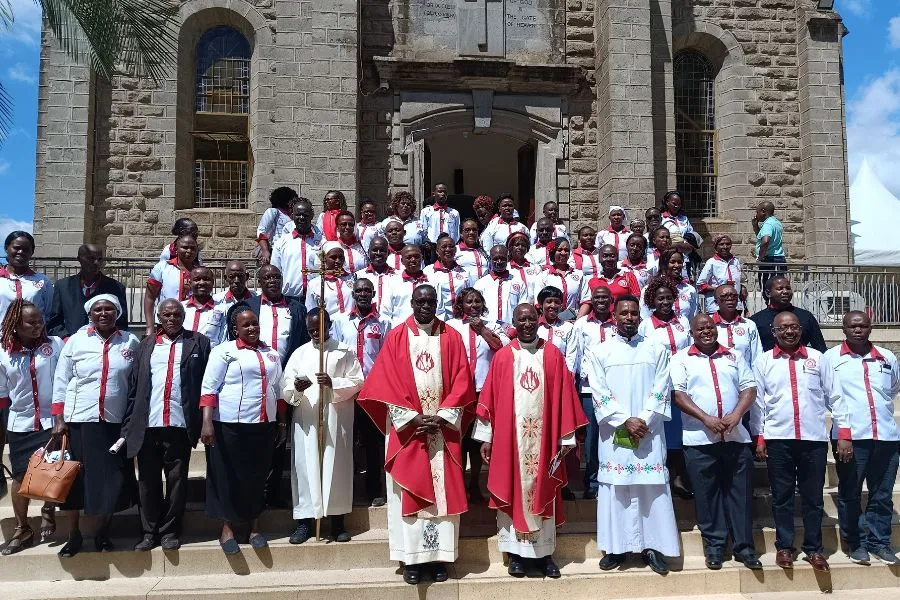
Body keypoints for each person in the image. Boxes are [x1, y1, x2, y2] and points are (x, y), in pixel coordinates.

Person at [357, 285, 476, 585]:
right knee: (406, 493)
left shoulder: (452, 337)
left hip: (442, 430)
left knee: (442, 496)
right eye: (420, 301)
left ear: (437, 303)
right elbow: (385, 384)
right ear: (411, 303)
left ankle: (439, 558)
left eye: (430, 301)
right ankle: (412, 558)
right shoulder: (397, 337)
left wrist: (443, 416)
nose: (425, 306)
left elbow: (463, 380)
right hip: (408, 431)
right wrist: (412, 418)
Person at [475, 302, 586, 578]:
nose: (527, 324)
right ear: (514, 322)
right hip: (510, 441)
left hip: (545, 441)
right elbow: (488, 400)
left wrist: (565, 440)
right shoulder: (503, 356)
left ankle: (545, 554)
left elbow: (565, 400)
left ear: (539, 320)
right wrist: (486, 438)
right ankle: (515, 555)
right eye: (521, 320)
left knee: (544, 488)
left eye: (531, 319)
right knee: (512, 488)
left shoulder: (553, 355)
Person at [584, 295, 679, 574]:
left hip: (649, 433)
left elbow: (663, 388)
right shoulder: (600, 352)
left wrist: (644, 419)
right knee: (617, 489)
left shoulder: (656, 349)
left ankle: (653, 546)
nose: (629, 317)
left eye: (634, 313)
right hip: (615, 435)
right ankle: (617, 548)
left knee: (651, 490)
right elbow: (598, 392)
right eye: (624, 313)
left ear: (640, 316)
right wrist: (625, 420)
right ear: (614, 316)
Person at [750, 311, 850, 572]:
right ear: (774, 332)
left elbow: (836, 397)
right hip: (778, 439)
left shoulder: (818, 358)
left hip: (812, 439)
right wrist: (758, 437)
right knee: (781, 497)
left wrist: (843, 433)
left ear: (801, 330)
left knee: (813, 498)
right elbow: (758, 402)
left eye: (794, 327)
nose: (789, 331)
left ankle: (814, 548)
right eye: (783, 328)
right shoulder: (763, 361)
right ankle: (784, 546)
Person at [51, 294, 140, 557]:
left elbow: (136, 381)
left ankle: (103, 532)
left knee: (111, 481)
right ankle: (74, 534)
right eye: (98, 309)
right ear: (90, 314)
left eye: (109, 309)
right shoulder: (76, 341)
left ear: (118, 313)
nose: (104, 313)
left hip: (113, 423)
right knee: (75, 481)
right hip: (80, 420)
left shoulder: (130, 341)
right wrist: (59, 419)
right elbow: (61, 379)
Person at [671, 314, 761, 570]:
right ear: (692, 332)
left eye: (710, 327)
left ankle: (745, 548)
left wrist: (736, 415)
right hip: (699, 439)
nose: (706, 332)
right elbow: (679, 394)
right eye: (700, 329)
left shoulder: (734, 356)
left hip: (736, 437)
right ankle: (715, 546)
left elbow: (749, 388)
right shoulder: (680, 359)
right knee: (707, 496)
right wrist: (706, 418)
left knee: (740, 494)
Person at [122, 299, 211, 552]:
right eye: (167, 315)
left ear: (184, 316)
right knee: (147, 483)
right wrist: (129, 424)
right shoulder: (146, 345)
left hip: (179, 425)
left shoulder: (199, 342)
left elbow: (207, 383)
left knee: (177, 482)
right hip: (148, 425)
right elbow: (134, 386)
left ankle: (170, 530)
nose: (172, 319)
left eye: (177, 314)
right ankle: (149, 532)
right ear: (159, 317)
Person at [200, 305, 286, 554]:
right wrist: (207, 422)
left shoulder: (272, 354)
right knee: (227, 475)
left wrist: (281, 422)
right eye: (245, 324)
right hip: (229, 423)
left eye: (255, 324)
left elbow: (278, 391)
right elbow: (209, 388)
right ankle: (227, 528)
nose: (251, 328)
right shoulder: (223, 351)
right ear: (235, 328)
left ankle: (255, 526)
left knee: (257, 475)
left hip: (263, 423)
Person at [825, 311, 900, 565]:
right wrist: (842, 433)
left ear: (870, 328)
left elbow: (891, 389)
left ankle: (880, 542)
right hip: (851, 437)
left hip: (886, 438)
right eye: (853, 326)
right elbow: (828, 397)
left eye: (863, 326)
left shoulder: (887, 357)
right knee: (850, 493)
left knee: (882, 494)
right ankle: (855, 543)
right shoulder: (831, 358)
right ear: (844, 329)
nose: (858, 330)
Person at [283, 308, 364, 544]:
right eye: (310, 330)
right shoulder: (300, 353)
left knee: (335, 466)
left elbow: (358, 381)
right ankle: (304, 522)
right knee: (306, 468)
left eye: (319, 328)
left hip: (335, 418)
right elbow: (287, 388)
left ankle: (337, 521)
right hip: (307, 419)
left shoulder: (344, 351)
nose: (315, 334)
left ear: (328, 324)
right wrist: (297, 388)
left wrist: (333, 383)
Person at [0, 300, 64, 554]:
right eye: (31, 322)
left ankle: (48, 509)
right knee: (19, 477)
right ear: (16, 325)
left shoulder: (55, 345)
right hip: (21, 422)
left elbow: (65, 380)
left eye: (41, 321)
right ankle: (22, 527)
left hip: (52, 421)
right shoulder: (4, 353)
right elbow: (3, 397)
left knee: (50, 470)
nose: (38, 326)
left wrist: (61, 417)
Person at [331, 279, 392, 506]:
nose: (363, 294)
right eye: (359, 291)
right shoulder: (340, 321)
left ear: (374, 293)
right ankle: (345, 489)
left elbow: (387, 356)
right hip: (346, 390)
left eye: (367, 290)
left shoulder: (384, 322)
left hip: (372, 391)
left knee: (373, 442)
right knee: (345, 440)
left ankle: (375, 489)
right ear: (353, 294)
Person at [446, 287, 509, 502]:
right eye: (469, 302)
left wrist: (481, 329)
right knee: (460, 438)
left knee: (478, 438)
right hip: (460, 391)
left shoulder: (492, 326)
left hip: (483, 390)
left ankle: (475, 483)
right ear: (460, 306)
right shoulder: (451, 327)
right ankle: (459, 483)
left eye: (477, 302)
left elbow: (500, 348)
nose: (473, 306)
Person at [638, 277, 693, 499]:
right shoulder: (645, 325)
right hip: (658, 384)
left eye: (669, 298)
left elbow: (689, 349)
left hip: (681, 384)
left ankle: (679, 476)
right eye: (660, 298)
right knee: (661, 431)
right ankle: (661, 475)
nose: (665, 302)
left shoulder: (683, 322)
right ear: (652, 300)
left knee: (679, 433)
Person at [566, 283, 616, 500]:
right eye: (598, 298)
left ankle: (614, 478)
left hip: (617, 389)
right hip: (590, 390)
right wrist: (573, 385)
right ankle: (593, 483)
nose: (602, 301)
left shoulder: (619, 324)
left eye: (606, 298)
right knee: (593, 437)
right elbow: (574, 356)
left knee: (615, 434)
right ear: (591, 302)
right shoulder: (582, 324)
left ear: (611, 301)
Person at [47, 244, 128, 337]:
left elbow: (121, 323)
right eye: (91, 258)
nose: (96, 263)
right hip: (70, 345)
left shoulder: (116, 287)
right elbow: (55, 322)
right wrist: (66, 338)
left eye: (100, 259)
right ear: (79, 259)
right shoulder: (63, 286)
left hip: (103, 345)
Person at [247, 265, 311, 366]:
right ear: (259, 282)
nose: (273, 281)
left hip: (288, 369)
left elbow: (304, 340)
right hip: (256, 369)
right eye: (267, 278)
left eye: (276, 277)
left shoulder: (298, 309)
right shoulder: (249, 307)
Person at [749, 276, 826, 353]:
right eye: (780, 289)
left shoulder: (806, 317)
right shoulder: (756, 321)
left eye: (788, 288)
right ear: (768, 293)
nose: (785, 291)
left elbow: (820, 348)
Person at [144, 234, 200, 336]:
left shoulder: (200, 271)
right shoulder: (162, 268)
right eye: (185, 247)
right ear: (176, 249)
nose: (189, 251)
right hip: (166, 322)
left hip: (192, 322)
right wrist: (150, 326)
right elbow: (149, 297)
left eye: (193, 248)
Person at [272, 197, 324, 301]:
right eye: (297, 215)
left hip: (316, 297)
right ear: (292, 216)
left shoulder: (322, 242)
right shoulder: (281, 243)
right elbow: (275, 271)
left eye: (305, 215)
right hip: (290, 298)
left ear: (312, 215)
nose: (301, 218)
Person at [1, 231, 53, 321]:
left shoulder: (43, 281)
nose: (21, 252)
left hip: (35, 334)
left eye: (26, 249)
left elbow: (48, 313)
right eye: (16, 248)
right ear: (6, 248)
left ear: (32, 252)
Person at [474, 245, 528, 326]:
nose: (499, 262)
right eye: (495, 259)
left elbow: (522, 309)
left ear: (508, 258)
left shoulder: (519, 283)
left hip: (511, 330)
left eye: (502, 259)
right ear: (490, 259)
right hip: (487, 329)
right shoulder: (480, 284)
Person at [712, 284, 762, 369]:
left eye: (734, 296)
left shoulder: (749, 324)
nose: (730, 299)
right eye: (724, 296)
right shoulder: (708, 324)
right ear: (716, 302)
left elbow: (757, 356)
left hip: (745, 378)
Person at [424, 235, 472, 321]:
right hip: (438, 320)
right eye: (444, 247)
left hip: (461, 319)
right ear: (437, 251)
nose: (448, 249)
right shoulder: (428, 272)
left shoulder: (465, 272)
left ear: (455, 250)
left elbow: (470, 296)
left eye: (451, 246)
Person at [534, 239, 587, 316]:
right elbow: (539, 303)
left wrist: (577, 321)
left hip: (574, 321)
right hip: (551, 322)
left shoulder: (579, 274)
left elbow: (585, 301)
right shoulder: (543, 275)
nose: (563, 253)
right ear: (553, 252)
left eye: (566, 250)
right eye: (559, 250)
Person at [641, 249, 698, 322]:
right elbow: (645, 316)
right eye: (672, 262)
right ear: (663, 264)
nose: (677, 265)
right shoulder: (650, 289)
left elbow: (693, 318)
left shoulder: (690, 289)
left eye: (680, 262)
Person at [697, 235, 745, 314]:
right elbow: (701, 284)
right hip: (716, 306)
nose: (725, 247)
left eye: (728, 244)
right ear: (716, 247)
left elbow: (737, 281)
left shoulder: (735, 261)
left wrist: (742, 287)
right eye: (721, 244)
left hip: (735, 305)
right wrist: (719, 289)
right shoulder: (711, 262)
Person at [305, 243, 357, 317]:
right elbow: (311, 312)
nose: (338, 261)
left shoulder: (353, 278)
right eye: (333, 257)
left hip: (351, 324)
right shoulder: (314, 284)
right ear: (324, 259)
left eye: (341, 257)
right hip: (329, 327)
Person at [385, 245, 431, 327]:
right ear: (402, 261)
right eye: (409, 257)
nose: (413, 260)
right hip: (400, 331)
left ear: (422, 258)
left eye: (416, 257)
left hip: (427, 330)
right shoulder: (392, 282)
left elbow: (438, 310)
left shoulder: (431, 281)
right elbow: (385, 311)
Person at [180, 267, 226, 348]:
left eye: (206, 279)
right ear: (190, 283)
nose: (201, 283)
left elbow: (223, 339)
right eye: (197, 279)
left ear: (213, 283)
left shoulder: (222, 309)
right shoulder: (180, 308)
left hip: (210, 357)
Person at [586, 244, 640, 310]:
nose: (609, 259)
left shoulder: (629, 276)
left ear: (617, 258)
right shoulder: (592, 280)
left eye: (612, 256)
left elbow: (636, 301)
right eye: (605, 256)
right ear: (599, 259)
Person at [752, 200, 786, 303]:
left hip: (770, 260)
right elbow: (762, 237)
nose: (756, 215)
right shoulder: (776, 222)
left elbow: (765, 241)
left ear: (763, 211)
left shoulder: (768, 224)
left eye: (757, 212)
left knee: (769, 289)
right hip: (779, 259)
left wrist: (761, 258)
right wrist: (755, 226)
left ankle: (771, 312)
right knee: (779, 288)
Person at [256, 186, 298, 265]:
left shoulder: (293, 215)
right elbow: (261, 231)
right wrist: (265, 250)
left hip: (290, 251)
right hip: (275, 250)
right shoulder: (273, 212)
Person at [659, 191, 702, 269]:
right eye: (674, 204)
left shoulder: (684, 219)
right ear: (667, 202)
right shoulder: (661, 219)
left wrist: (683, 246)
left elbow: (692, 237)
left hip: (685, 259)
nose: (677, 206)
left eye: (679, 204)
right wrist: (678, 246)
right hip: (668, 258)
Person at [356, 236, 396, 318]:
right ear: (368, 252)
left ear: (388, 252)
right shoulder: (358, 276)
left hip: (394, 326)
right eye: (374, 250)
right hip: (368, 324)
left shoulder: (398, 276)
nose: (378, 253)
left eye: (382, 250)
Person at [535, 286, 575, 356]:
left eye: (557, 302)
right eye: (549, 302)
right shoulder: (533, 327)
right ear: (541, 304)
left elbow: (571, 356)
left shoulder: (569, 328)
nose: (553, 305)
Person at [507, 231, 541, 302]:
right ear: (510, 248)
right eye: (516, 245)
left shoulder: (536, 268)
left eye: (523, 245)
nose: (520, 247)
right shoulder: (506, 268)